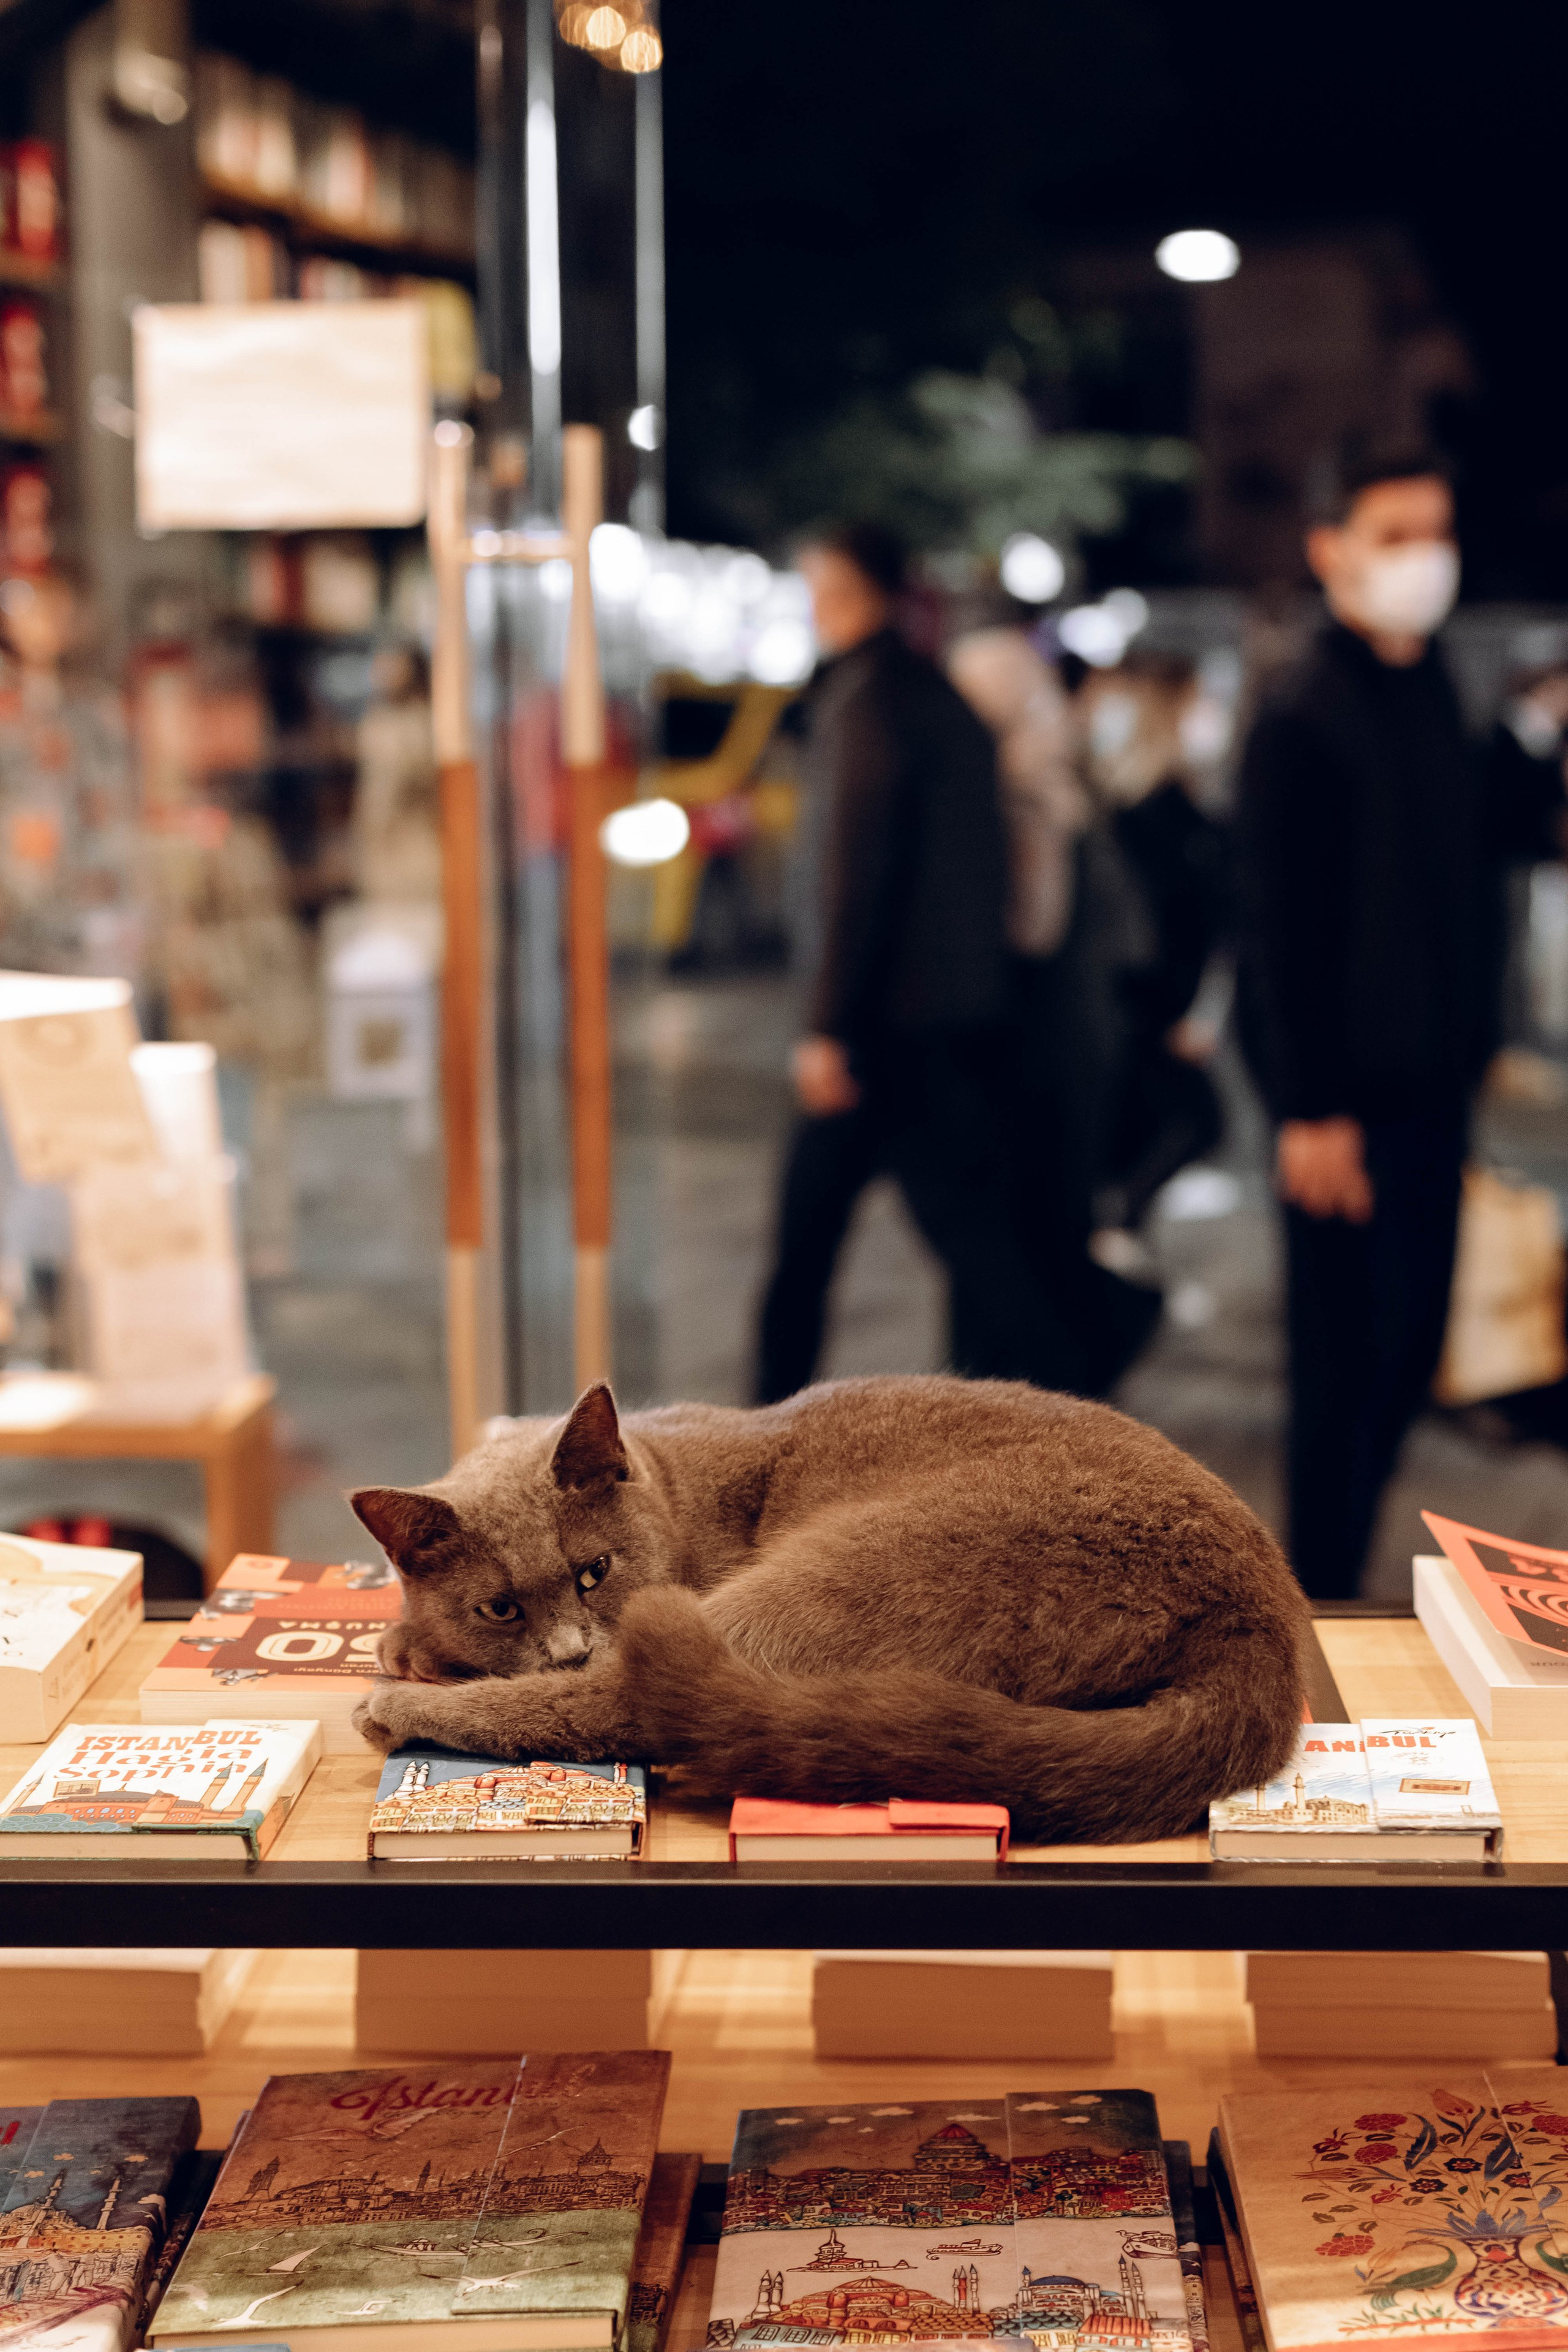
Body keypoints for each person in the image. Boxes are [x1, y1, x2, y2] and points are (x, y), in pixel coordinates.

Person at [1235, 450, 1564, 1597]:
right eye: (1394, 534)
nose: (1423, 557)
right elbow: (1276, 931)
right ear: (1331, 550)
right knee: (1340, 1372)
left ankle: (1333, 1584)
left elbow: (1482, 849)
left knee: (1407, 1356)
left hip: (1433, 1091)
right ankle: (1307, 1607)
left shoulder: (1430, 694)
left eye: (1436, 531)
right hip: (1345, 1107)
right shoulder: (1302, 705)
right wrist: (1307, 1107)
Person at [754, 524, 1089, 1401]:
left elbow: (851, 877)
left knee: (807, 1253)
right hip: (952, 1020)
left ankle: (743, 1457)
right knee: (973, 1242)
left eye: (819, 588)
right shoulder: (933, 695)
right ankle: (1069, 1396)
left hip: (878, 1030)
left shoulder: (866, 702)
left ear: (853, 593)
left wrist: (827, 1026)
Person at [1080, 652, 1231, 1247]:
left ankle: (1118, 1233)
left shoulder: (1169, 803)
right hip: (1146, 1006)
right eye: (1198, 704)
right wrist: (1184, 1009)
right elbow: (1167, 921)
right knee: (1192, 1121)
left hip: (1157, 1004)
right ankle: (1116, 1231)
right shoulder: (1150, 810)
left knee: (1164, 1125)